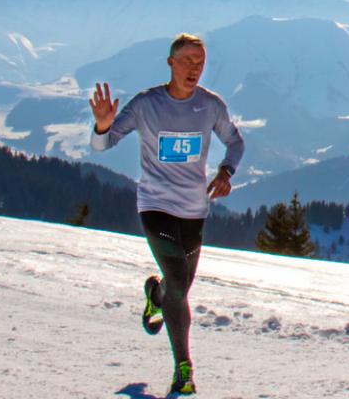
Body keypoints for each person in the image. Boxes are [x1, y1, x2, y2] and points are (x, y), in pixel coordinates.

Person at [91, 32, 245, 397]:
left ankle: (156, 297)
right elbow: (103, 144)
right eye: (188, 61)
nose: (195, 68)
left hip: (194, 210)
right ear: (170, 63)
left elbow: (236, 142)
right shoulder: (146, 104)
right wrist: (102, 124)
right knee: (178, 278)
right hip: (155, 206)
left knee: (178, 288)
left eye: (200, 62)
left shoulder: (210, 106)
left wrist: (226, 172)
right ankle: (183, 369)